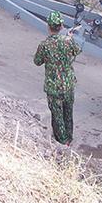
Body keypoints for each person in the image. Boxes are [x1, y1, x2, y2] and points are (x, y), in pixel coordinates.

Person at [33, 10, 81, 145]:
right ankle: (69, 139)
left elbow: (37, 62)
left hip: (53, 86)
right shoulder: (68, 41)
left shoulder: (44, 45)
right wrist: (70, 37)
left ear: (48, 26)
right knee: (68, 112)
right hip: (68, 85)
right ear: (61, 26)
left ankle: (61, 141)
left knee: (57, 115)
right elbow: (77, 51)